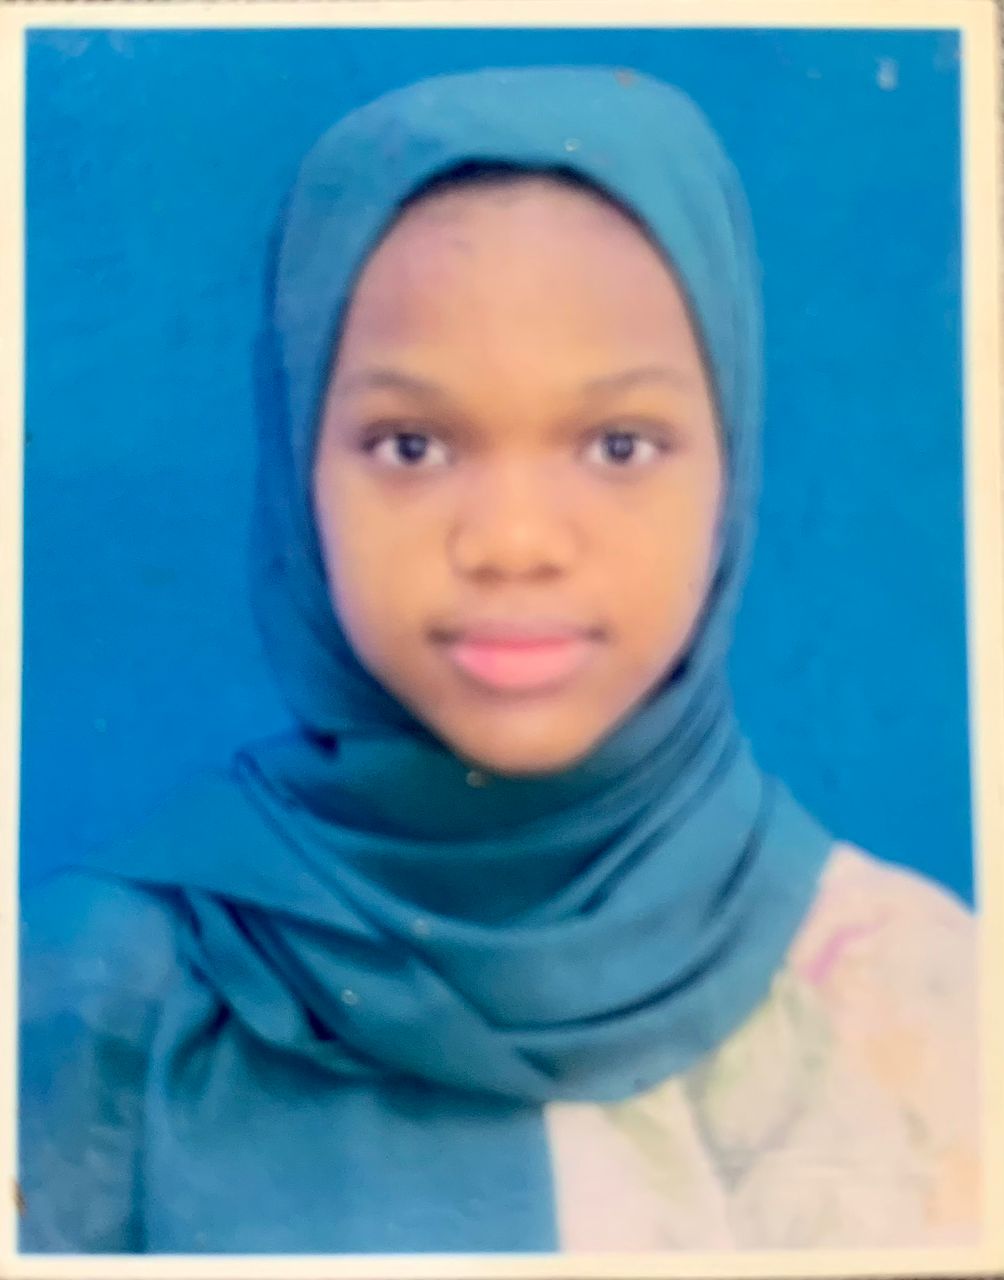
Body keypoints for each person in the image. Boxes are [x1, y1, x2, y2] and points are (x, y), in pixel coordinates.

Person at [18, 65, 978, 1255]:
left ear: (728, 469)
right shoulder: (90, 1004)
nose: (513, 542)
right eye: (410, 444)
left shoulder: (916, 1002)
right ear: (298, 468)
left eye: (618, 443)